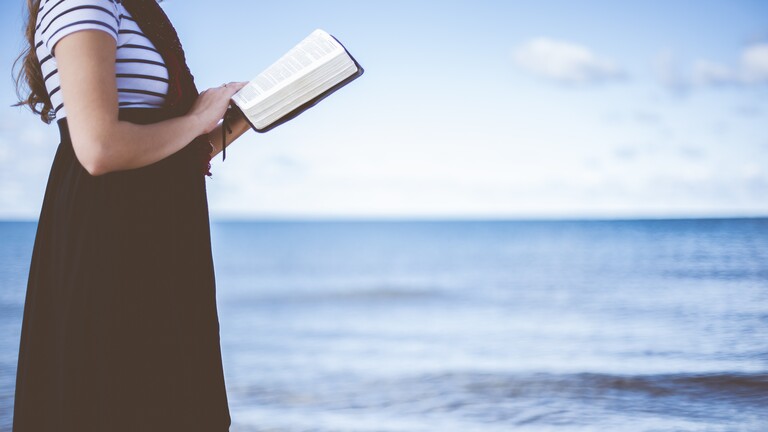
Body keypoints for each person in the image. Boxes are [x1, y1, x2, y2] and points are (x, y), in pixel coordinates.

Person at [12, 0, 251, 430]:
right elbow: (99, 148)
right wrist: (198, 119)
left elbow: (175, 152)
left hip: (164, 241)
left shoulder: (134, 8)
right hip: (116, 241)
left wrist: (246, 116)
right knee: (121, 401)